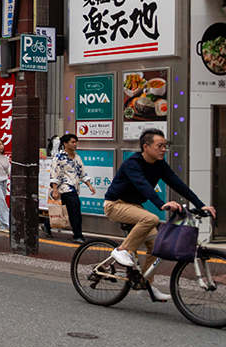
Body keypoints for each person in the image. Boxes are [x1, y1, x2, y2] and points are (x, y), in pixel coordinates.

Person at [103, 128, 217, 301]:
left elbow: (178, 184)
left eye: (165, 146)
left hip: (134, 206)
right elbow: (143, 185)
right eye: (159, 145)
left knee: (158, 246)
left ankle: (144, 285)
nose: (163, 149)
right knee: (151, 218)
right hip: (115, 204)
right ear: (146, 147)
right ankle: (122, 250)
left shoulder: (160, 165)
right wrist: (162, 204)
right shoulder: (132, 163)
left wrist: (201, 206)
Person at [50, 133, 94, 243]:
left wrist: (89, 185)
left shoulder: (77, 157)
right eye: (72, 142)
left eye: (76, 142)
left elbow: (82, 172)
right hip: (65, 188)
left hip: (75, 187)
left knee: (66, 211)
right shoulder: (59, 157)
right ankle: (77, 235)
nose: (75, 144)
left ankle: (47, 225)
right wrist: (55, 190)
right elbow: (54, 174)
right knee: (75, 210)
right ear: (65, 144)